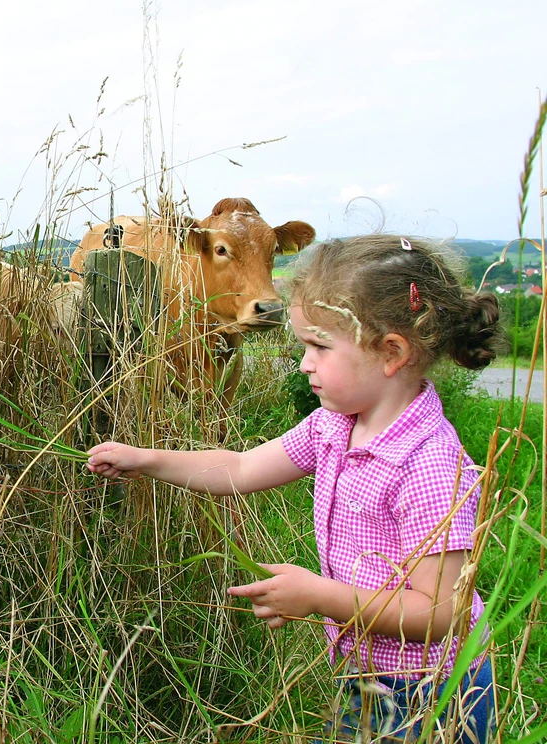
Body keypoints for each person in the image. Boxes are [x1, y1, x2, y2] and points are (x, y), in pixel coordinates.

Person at [86, 234, 501, 743]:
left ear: (391, 352)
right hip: (367, 673)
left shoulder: (430, 466)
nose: (304, 363)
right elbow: (239, 469)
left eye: (319, 346)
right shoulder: (334, 425)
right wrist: (148, 460)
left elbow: (441, 612)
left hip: (434, 693)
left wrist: (319, 595)